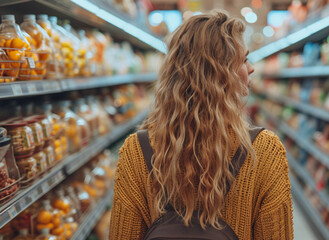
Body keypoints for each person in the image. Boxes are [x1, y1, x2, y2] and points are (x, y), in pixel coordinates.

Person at [109, 10, 293, 240]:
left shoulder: (137, 150)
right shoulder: (264, 150)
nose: (252, 68)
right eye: (244, 59)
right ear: (221, 74)